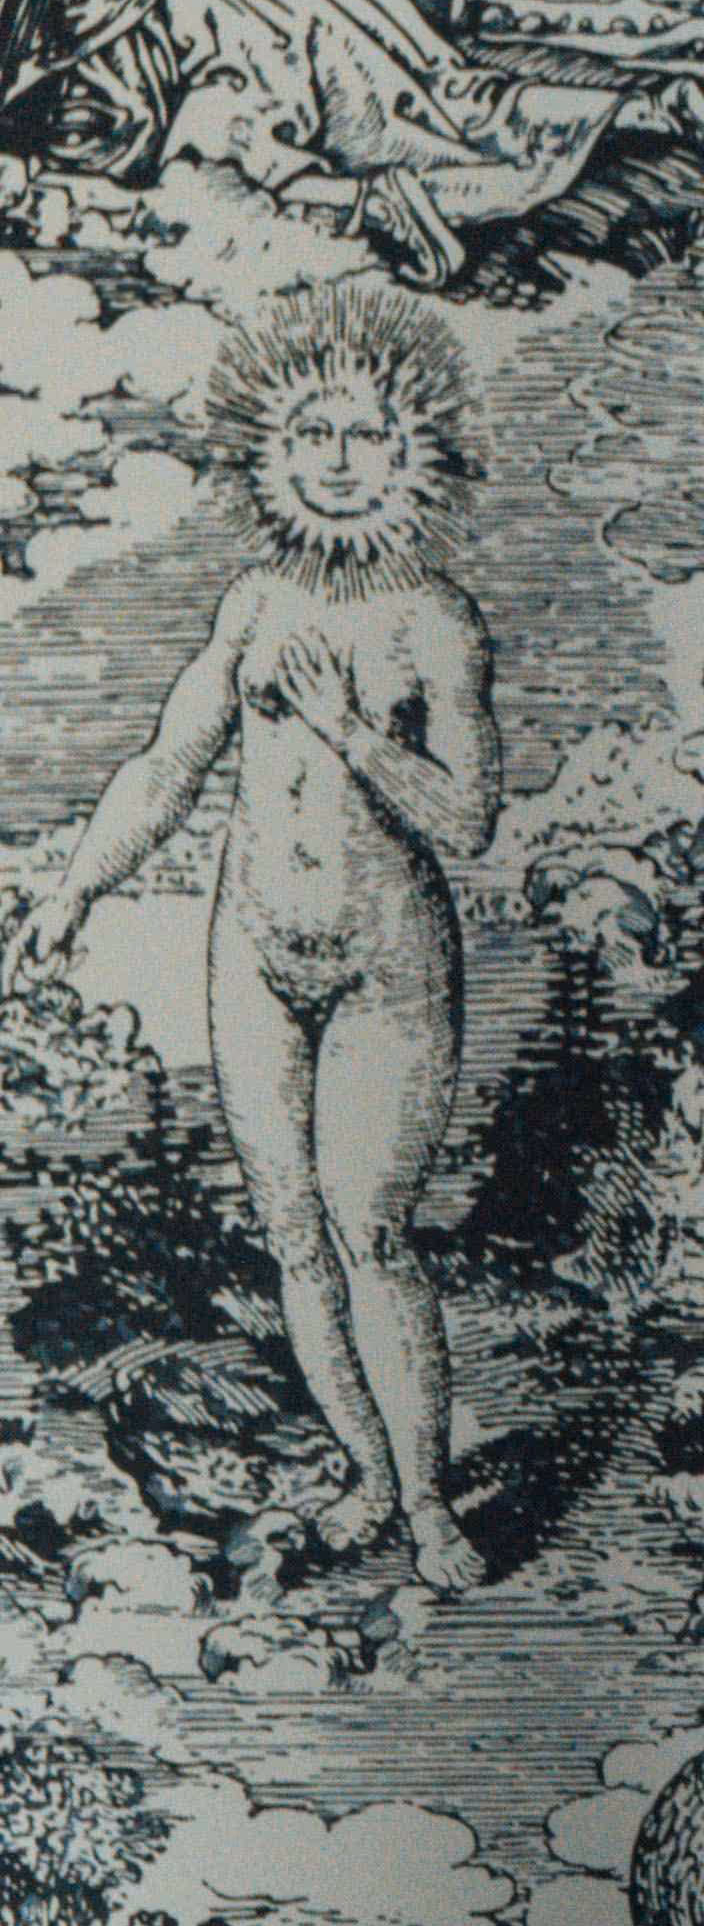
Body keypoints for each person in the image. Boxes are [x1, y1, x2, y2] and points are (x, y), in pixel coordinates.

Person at [23, 299, 501, 1589]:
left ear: (414, 455)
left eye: (367, 433)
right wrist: (75, 889)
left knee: (372, 1231)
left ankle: (431, 1503)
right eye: (313, 434)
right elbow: (167, 762)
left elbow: (469, 814)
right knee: (292, 1232)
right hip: (254, 954)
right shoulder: (251, 603)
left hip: (386, 963)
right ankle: (363, 1470)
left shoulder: (436, 621)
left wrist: (352, 732)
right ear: (271, 457)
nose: (340, 457)